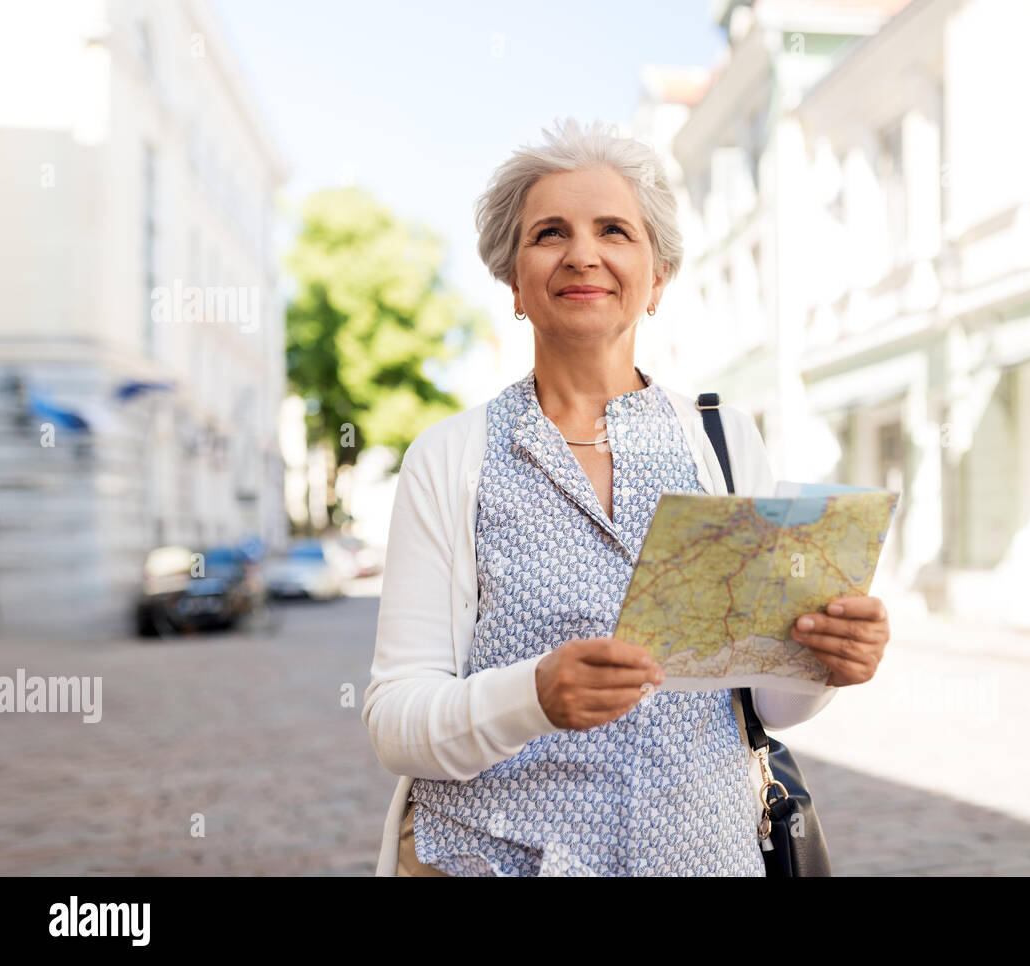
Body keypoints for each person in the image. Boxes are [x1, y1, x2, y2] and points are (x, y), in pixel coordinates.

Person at [363, 117, 892, 876]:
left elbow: (770, 705)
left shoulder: (723, 441)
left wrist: (825, 664)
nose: (584, 253)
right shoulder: (451, 459)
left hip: (704, 857)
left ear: (658, 276)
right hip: (491, 860)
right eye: (550, 233)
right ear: (514, 281)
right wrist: (533, 696)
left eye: (615, 230)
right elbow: (395, 723)